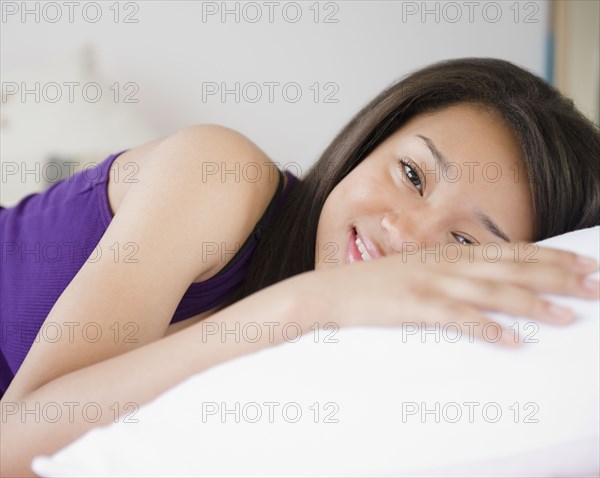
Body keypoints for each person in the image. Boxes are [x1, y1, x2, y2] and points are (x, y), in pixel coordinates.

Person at [1, 57, 599, 476]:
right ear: (368, 142)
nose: (402, 232)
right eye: (411, 174)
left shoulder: (372, 376)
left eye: (464, 243)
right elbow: (14, 443)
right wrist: (308, 305)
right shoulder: (222, 177)